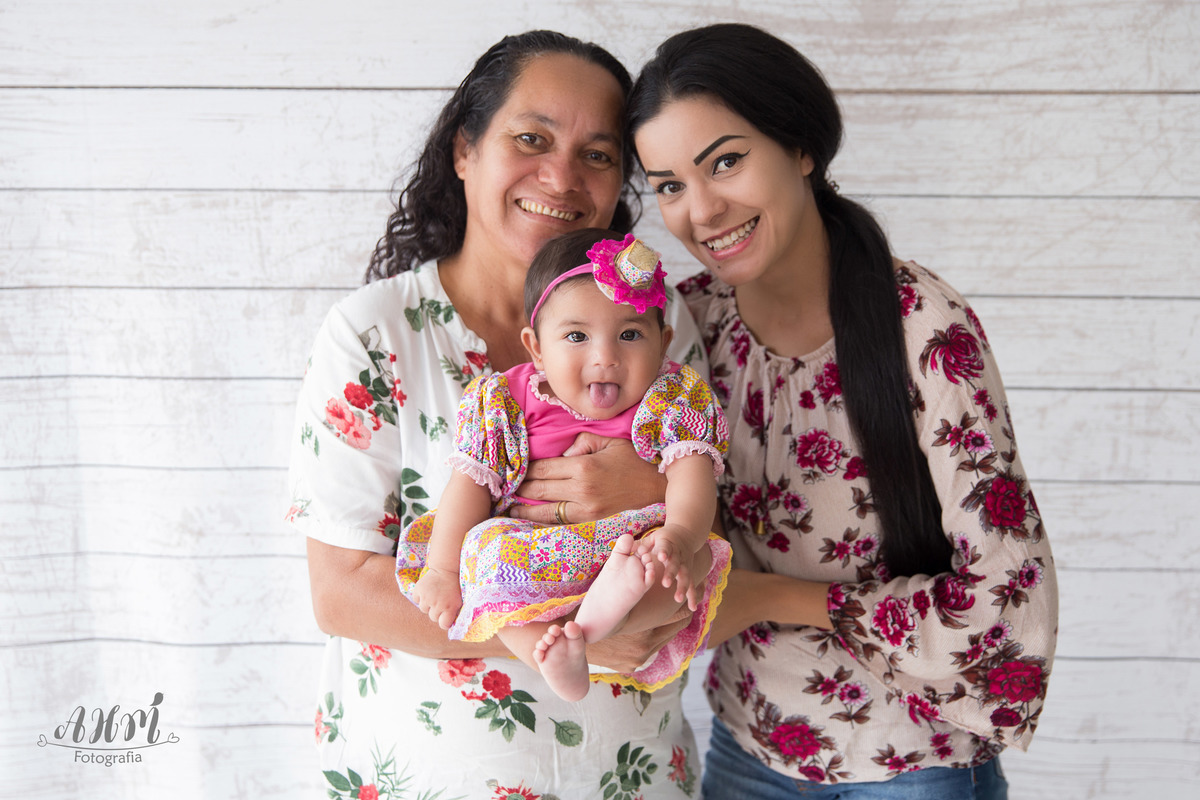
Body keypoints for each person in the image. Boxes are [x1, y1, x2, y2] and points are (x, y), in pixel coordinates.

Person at [622, 23, 1059, 799]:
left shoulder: (922, 325)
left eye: (725, 161)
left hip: (914, 763)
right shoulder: (686, 328)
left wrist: (767, 598)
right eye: (669, 186)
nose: (702, 209)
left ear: (800, 147)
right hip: (745, 746)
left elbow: (1010, 598)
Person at [288, 31, 710, 799]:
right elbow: (340, 593)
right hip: (434, 778)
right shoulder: (375, 334)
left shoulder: (657, 319)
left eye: (597, 154)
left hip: (628, 774)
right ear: (464, 150)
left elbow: (710, 541)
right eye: (531, 139)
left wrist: (648, 494)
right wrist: (568, 638)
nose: (562, 176)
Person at [396, 228, 731, 703]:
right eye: (576, 336)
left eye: (630, 334)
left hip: (639, 544)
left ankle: (602, 621)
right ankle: (554, 651)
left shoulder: (672, 396)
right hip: (537, 555)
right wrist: (444, 571)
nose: (605, 357)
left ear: (663, 343)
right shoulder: (505, 400)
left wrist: (678, 535)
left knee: (694, 557)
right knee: (483, 554)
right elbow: (468, 486)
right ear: (536, 348)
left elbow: (692, 475)